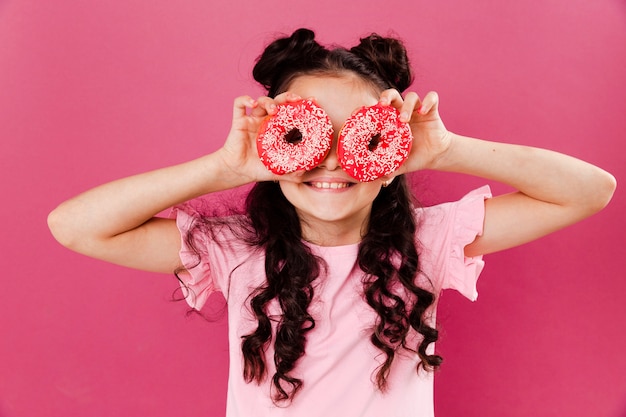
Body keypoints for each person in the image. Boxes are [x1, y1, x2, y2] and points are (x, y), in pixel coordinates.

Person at [47, 28, 616, 417]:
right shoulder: (237, 251)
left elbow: (591, 191)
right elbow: (76, 226)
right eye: (304, 135)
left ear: (393, 154)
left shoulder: (428, 242)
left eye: (360, 138)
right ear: (273, 147)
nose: (332, 159)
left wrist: (445, 150)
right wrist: (223, 167)